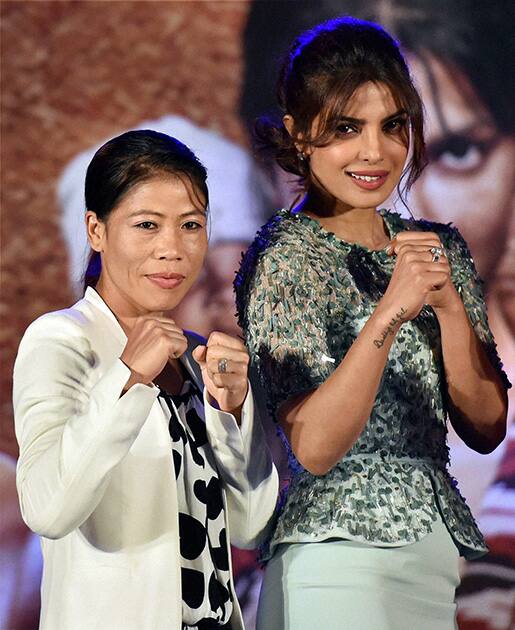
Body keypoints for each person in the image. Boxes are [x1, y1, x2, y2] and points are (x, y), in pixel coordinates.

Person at [235, 17, 510, 630]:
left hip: (432, 556)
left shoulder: (439, 249)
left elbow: (488, 426)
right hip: (333, 560)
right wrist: (390, 311)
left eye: (392, 126)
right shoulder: (284, 257)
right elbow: (315, 446)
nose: (375, 151)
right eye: (345, 129)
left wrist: (447, 311)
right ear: (299, 135)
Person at [13, 129, 278, 630]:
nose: (172, 249)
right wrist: (130, 377)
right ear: (96, 231)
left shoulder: (198, 356)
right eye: (147, 225)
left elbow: (248, 528)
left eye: (190, 225)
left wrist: (233, 412)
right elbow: (48, 509)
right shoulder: (61, 340)